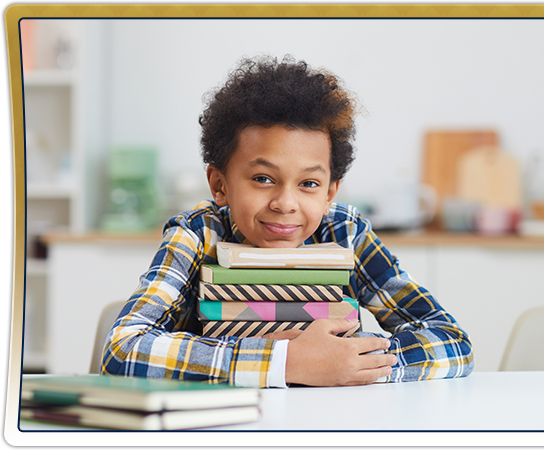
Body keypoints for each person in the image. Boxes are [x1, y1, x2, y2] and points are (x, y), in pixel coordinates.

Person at [101, 55, 474, 387]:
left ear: (329, 193)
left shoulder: (344, 232)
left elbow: (451, 341)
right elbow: (124, 348)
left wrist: (348, 363)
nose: (285, 203)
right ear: (220, 184)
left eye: (309, 184)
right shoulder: (198, 233)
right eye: (263, 179)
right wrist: (282, 363)